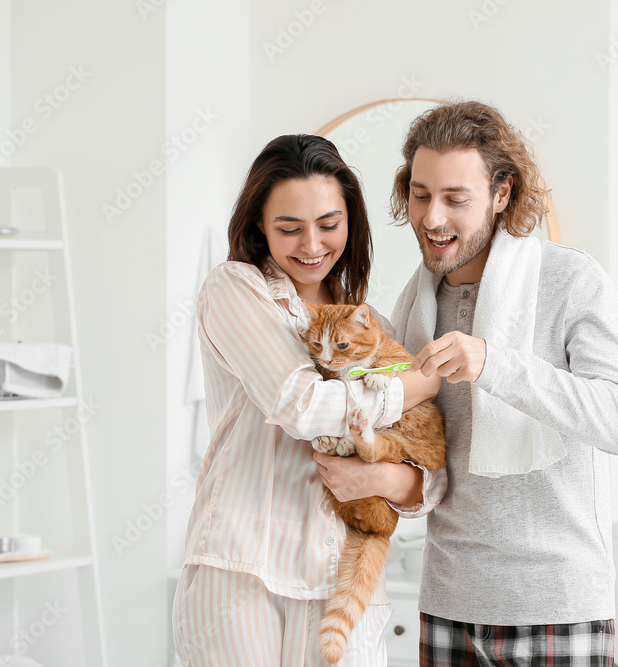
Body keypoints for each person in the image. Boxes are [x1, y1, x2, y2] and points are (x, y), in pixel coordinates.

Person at [171, 134, 444, 666]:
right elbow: (302, 405)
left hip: (341, 580)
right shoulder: (236, 290)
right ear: (259, 228)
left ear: (351, 222)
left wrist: (384, 478)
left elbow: (431, 479)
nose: (312, 245)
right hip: (242, 569)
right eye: (289, 228)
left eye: (328, 224)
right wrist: (414, 385)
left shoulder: (372, 326)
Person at [388, 100, 618, 666]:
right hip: (448, 600)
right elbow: (419, 450)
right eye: (421, 194)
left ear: (501, 194)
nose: (433, 218)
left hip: (555, 603)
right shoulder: (413, 304)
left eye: (457, 199)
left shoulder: (571, 280)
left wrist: (497, 364)